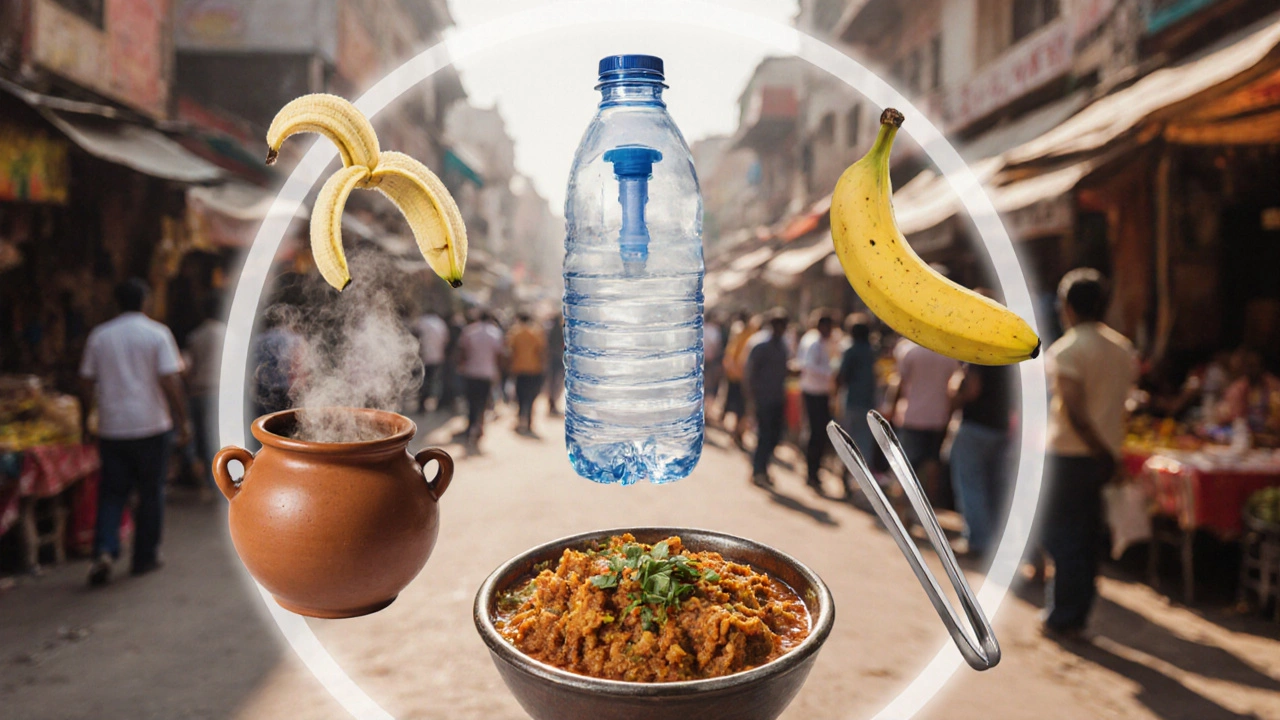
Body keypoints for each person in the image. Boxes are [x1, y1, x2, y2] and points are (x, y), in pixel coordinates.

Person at [1042, 268, 1137, 637]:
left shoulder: (1068, 349)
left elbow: (1074, 412)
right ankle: (1075, 613)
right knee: (1085, 539)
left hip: (1070, 455)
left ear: (1066, 306)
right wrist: (1108, 454)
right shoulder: (1121, 348)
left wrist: (1098, 450)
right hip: (1101, 456)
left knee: (1061, 536)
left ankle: (1064, 615)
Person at [79, 279, 190, 586]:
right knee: (151, 493)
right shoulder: (157, 333)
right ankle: (145, 557)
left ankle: (103, 550)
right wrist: (183, 421)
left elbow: (86, 383)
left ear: (116, 303)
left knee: (112, 493)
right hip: (152, 426)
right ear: (146, 301)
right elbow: (170, 380)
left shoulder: (100, 336)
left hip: (113, 427)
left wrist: (86, 421)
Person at [949, 341, 1014, 556]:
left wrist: (954, 397)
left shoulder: (980, 353)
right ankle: (993, 541)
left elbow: (973, 389)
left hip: (976, 427)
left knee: (970, 484)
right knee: (992, 488)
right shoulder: (1010, 357)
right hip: (1001, 428)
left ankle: (978, 541)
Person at [886, 337, 960, 506]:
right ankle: (925, 509)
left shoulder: (910, 352)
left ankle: (901, 508)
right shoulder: (948, 354)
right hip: (938, 418)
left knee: (905, 467)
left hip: (912, 417)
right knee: (932, 466)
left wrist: (891, 407)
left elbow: (898, 382)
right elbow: (954, 386)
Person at [182, 297, 225, 502]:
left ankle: (208, 481)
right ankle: (218, 482)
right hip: (219, 393)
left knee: (201, 439)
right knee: (215, 438)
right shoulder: (230, 335)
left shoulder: (195, 336)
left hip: (197, 392)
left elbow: (186, 368)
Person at [745, 309, 791, 487]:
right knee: (764, 436)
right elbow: (750, 374)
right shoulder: (760, 346)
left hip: (778, 398)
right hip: (763, 399)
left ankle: (763, 468)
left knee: (775, 437)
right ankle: (758, 471)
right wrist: (751, 400)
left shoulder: (783, 346)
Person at [796, 309, 837, 494]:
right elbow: (809, 366)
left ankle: (813, 470)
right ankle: (811, 472)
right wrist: (830, 373)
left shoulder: (820, 341)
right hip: (814, 393)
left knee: (818, 434)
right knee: (816, 434)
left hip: (819, 392)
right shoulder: (814, 343)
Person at [837, 313, 877, 498]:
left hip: (853, 401)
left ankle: (846, 481)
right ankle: (862, 485)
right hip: (868, 403)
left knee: (848, 441)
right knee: (864, 444)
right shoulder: (871, 351)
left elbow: (842, 376)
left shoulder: (851, 350)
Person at [457, 309, 505, 448]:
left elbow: (462, 352)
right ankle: (479, 427)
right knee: (483, 402)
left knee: (471, 401)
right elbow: (499, 355)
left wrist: (461, 366)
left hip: (471, 372)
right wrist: (498, 371)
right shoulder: (495, 332)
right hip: (487, 373)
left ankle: (470, 427)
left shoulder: (470, 330)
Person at [1219, 348, 1280, 434]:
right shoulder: (1238, 388)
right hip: (1244, 434)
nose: (1253, 370)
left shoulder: (1272, 385)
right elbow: (1231, 416)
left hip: (1269, 434)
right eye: (1250, 366)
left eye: (1256, 366)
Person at [507, 312, 546, 434]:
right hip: (534, 369)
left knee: (520, 396)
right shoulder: (536, 332)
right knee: (531, 397)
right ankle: (529, 421)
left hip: (519, 369)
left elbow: (510, 350)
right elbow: (542, 351)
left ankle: (520, 420)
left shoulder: (515, 332)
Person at [721, 312, 756, 448]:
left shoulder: (749, 333)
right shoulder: (743, 333)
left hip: (741, 377)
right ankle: (737, 432)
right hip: (739, 377)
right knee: (740, 407)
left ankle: (738, 432)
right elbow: (732, 355)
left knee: (741, 407)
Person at [412, 310, 449, 413]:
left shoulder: (421, 321)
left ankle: (421, 404)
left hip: (422, 357)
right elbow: (445, 341)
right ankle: (425, 402)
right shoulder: (441, 323)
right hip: (436, 357)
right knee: (431, 380)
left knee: (422, 381)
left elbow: (415, 337)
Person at [704, 310, 725, 422]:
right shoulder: (714, 330)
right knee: (710, 389)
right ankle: (706, 412)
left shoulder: (700, 329)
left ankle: (703, 411)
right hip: (710, 363)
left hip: (702, 363)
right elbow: (717, 348)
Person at [544, 313, 565, 416]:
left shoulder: (550, 329)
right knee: (556, 384)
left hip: (552, 359)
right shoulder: (559, 331)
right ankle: (552, 405)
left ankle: (552, 405)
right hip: (557, 359)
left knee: (553, 384)